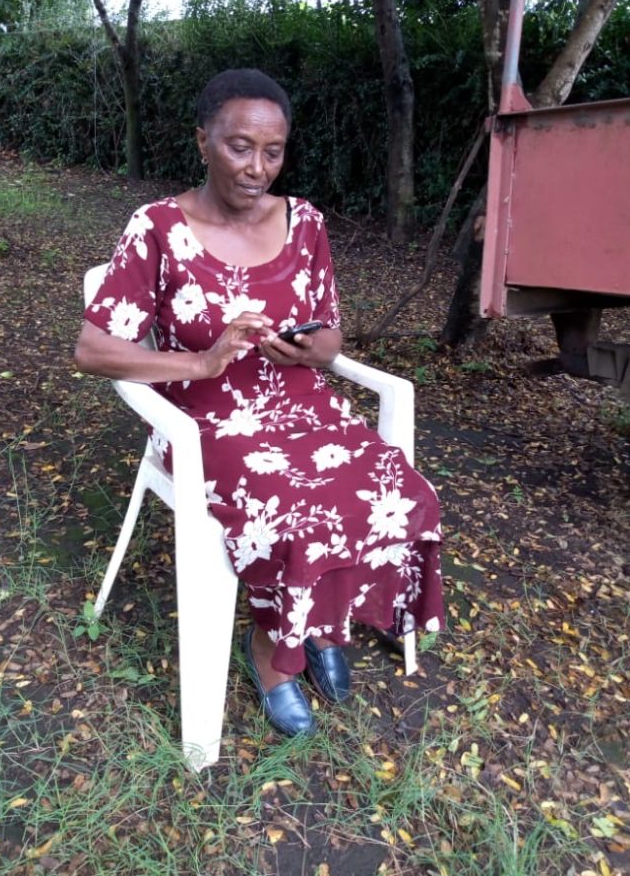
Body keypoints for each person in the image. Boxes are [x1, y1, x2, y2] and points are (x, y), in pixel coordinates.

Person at [75, 68, 443, 737]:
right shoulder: (157, 227)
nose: (256, 169)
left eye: (272, 152)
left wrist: (311, 351)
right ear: (203, 140)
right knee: (294, 506)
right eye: (239, 147)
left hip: (305, 408)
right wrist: (202, 360)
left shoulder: (305, 223)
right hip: (208, 421)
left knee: (399, 489)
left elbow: (330, 329)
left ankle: (324, 628)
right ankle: (274, 656)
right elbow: (95, 350)